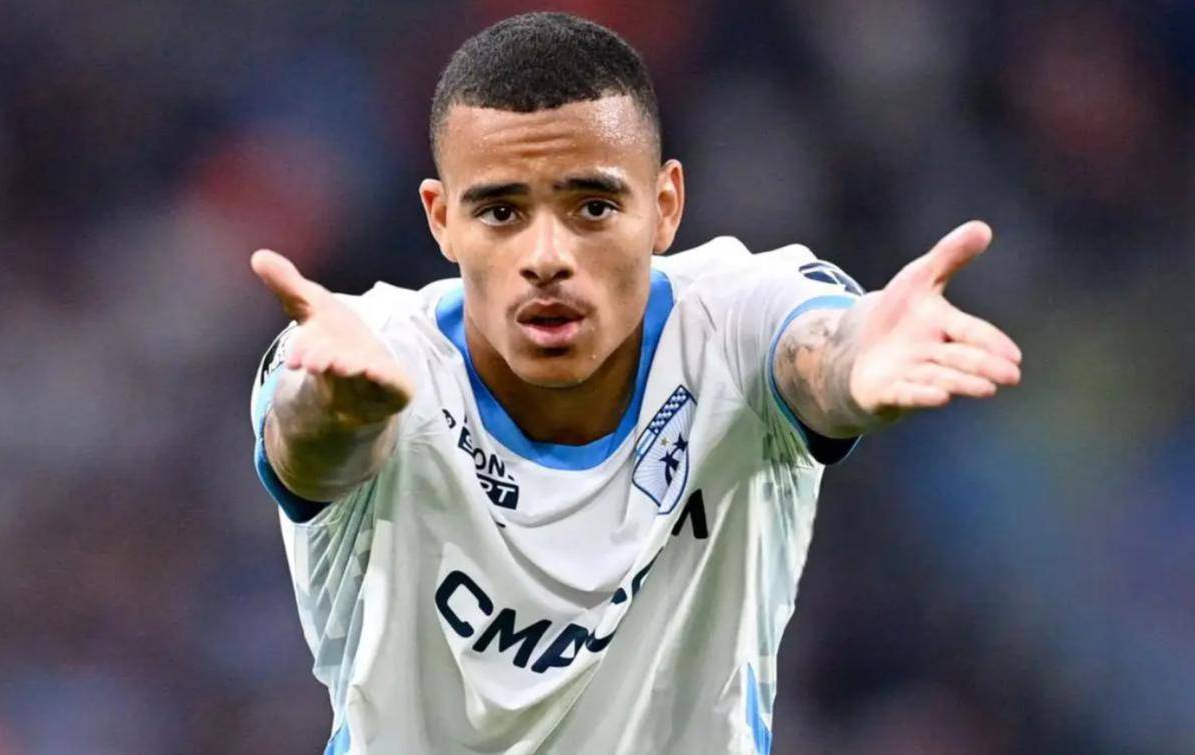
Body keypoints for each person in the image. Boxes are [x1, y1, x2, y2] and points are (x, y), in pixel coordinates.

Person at [248, 12, 1022, 755]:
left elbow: (815, 353)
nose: (546, 257)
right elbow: (308, 447)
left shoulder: (734, 321)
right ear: (441, 218)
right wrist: (340, 412)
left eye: (592, 206)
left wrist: (854, 363)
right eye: (502, 211)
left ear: (664, 206)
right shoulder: (362, 355)